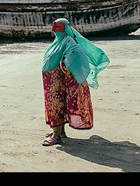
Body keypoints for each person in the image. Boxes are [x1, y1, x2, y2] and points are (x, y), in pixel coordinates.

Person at [41, 18, 110, 146]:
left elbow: (76, 58)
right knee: (59, 105)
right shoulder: (59, 41)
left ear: (65, 28)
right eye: (54, 26)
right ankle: (60, 132)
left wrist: (65, 69)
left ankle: (56, 136)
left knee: (55, 106)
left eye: (58, 27)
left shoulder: (69, 42)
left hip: (58, 82)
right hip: (53, 81)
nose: (55, 29)